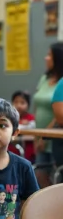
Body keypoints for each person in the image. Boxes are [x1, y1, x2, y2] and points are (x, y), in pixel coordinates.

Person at [33, 42, 63, 187]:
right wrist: (37, 134)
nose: (46, 58)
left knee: (56, 177)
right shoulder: (44, 78)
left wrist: (46, 134)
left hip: (54, 136)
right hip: (41, 135)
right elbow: (37, 103)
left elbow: (58, 114)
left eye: (49, 55)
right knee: (40, 174)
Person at [9, 90, 35, 163]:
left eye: (22, 103)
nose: (18, 106)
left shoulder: (31, 118)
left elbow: (32, 128)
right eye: (16, 102)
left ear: (28, 105)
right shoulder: (9, 118)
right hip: (11, 152)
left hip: (28, 153)